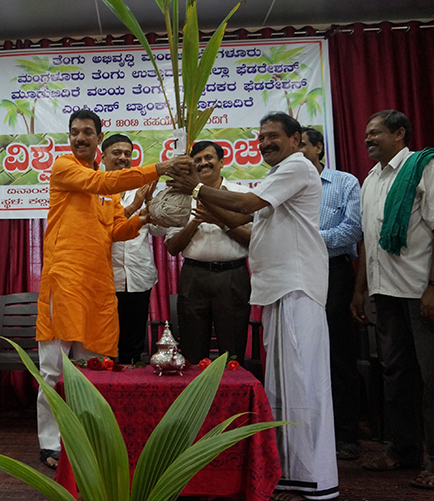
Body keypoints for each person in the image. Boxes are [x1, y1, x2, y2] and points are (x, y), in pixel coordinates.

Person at [167, 112, 338, 500]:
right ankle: (291, 473)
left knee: (303, 385)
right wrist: (204, 204)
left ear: (295, 139)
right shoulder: (279, 174)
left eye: (273, 136)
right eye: (260, 137)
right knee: (282, 387)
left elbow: (244, 203)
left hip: (297, 286)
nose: (264, 143)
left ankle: (316, 479)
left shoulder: (297, 166)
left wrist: (197, 188)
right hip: (277, 289)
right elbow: (241, 216)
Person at [36, 109, 192, 469]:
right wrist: (160, 167)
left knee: (91, 370)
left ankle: (83, 439)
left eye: (87, 132)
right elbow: (104, 183)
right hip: (66, 282)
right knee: (55, 371)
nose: (80, 138)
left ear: (98, 137)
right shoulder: (65, 168)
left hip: (97, 288)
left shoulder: (106, 193)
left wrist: (145, 215)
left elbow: (116, 231)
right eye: (75, 132)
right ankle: (52, 443)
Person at [351, 110, 434, 490]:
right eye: (366, 134)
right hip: (386, 294)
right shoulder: (371, 179)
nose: (368, 139)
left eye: (376, 133)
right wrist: (360, 290)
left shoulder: (427, 167)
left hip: (423, 293)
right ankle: (403, 450)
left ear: (400, 133)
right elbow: (368, 240)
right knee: (397, 376)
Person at [298, 127, 363, 461]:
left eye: (303, 145)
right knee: (303, 355)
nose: (297, 152)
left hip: (334, 273)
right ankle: (305, 431)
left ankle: (346, 433)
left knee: (338, 354)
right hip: (298, 274)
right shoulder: (286, 183)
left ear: (319, 148)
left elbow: (353, 229)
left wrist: (307, 237)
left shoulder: (344, 182)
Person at [165, 140, 252, 364]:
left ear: (221, 162)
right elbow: (172, 248)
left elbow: (254, 241)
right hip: (194, 276)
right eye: (198, 160)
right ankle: (197, 388)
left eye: (208, 158)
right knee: (192, 351)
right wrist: (195, 221)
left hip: (233, 276)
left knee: (232, 351)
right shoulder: (181, 198)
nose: (203, 163)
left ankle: (233, 386)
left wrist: (221, 222)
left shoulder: (242, 195)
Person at [101, 133, 165, 365]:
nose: (123, 158)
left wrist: (149, 203)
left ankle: (131, 383)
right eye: (116, 153)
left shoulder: (142, 188)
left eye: (127, 154)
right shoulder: (94, 189)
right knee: (104, 344)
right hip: (104, 279)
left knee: (133, 345)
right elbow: (102, 230)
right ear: (103, 157)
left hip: (138, 276)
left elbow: (159, 231)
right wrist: (135, 205)